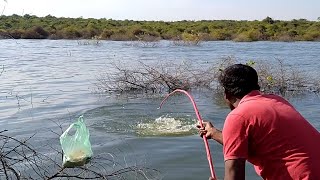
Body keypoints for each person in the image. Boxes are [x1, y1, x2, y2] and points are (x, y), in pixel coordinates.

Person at [198, 64, 320, 180]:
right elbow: (247, 145)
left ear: (226, 94)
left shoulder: (237, 116)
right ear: (257, 86)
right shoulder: (277, 100)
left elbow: (235, 175)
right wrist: (213, 133)